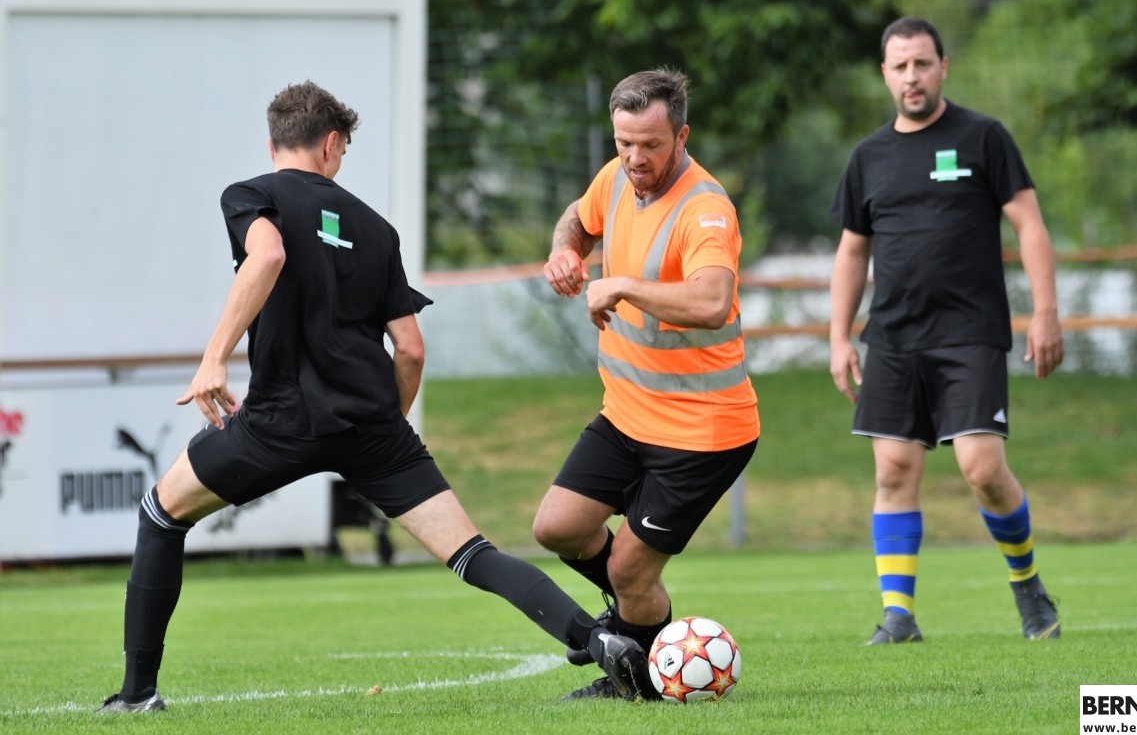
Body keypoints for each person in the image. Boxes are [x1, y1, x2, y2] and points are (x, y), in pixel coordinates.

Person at [97, 81, 650, 713]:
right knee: (474, 554)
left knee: (161, 514)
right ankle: (597, 638)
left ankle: (138, 694)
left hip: (279, 420)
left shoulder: (252, 194)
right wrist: (385, 434)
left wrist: (213, 358)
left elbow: (267, 253)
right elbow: (409, 350)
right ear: (331, 144)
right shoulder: (377, 229)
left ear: (275, 143)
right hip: (373, 425)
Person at [828, 16, 1065, 644]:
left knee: (982, 467)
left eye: (923, 63)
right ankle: (898, 616)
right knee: (893, 471)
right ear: (885, 74)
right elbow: (852, 252)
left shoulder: (983, 137)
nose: (912, 76)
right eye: (900, 66)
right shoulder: (868, 157)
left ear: (943, 68)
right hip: (892, 337)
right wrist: (838, 337)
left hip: (970, 331)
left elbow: (1030, 225)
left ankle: (1029, 586)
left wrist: (1045, 311)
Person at [535, 68, 760, 700]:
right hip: (627, 414)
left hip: (703, 431)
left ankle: (635, 680)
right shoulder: (616, 177)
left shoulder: (705, 208)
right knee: (558, 527)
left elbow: (712, 301)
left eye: (651, 145)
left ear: (681, 136)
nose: (635, 158)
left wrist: (625, 286)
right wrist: (565, 251)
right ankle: (633, 621)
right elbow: (577, 219)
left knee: (631, 567)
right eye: (624, 142)